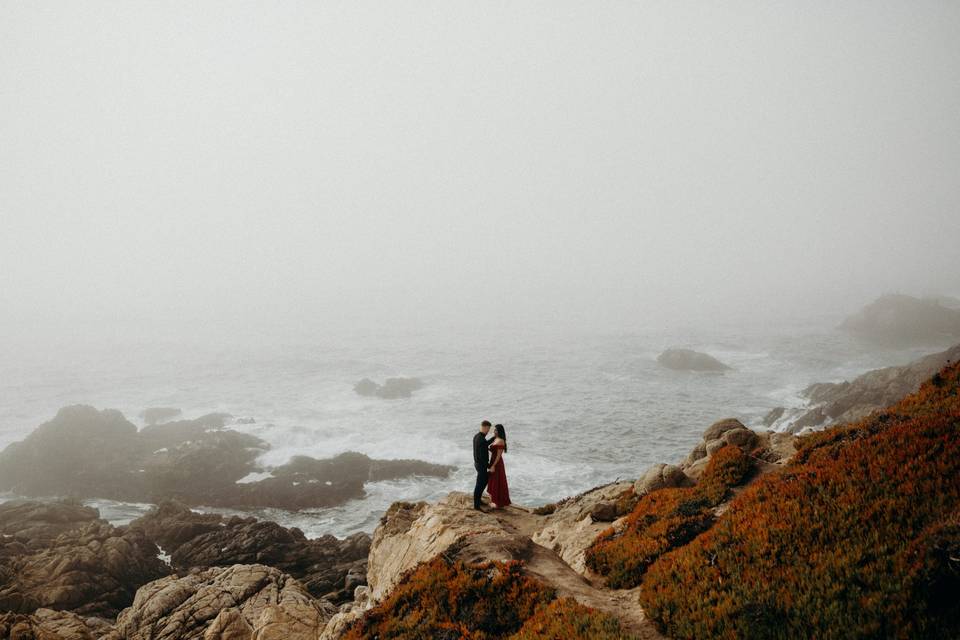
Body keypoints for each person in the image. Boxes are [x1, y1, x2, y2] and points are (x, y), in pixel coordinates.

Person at [486, 423, 511, 508]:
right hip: (492, 461)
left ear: (499, 431)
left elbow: (498, 456)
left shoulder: (500, 440)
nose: (494, 431)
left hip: (497, 463)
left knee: (498, 482)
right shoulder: (495, 439)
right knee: (492, 481)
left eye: (496, 430)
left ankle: (498, 503)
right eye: (494, 430)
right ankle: (494, 500)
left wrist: (493, 465)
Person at [473, 420, 492, 510]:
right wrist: (489, 466)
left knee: (483, 482)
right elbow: (481, 457)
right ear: (484, 427)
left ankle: (478, 501)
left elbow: (485, 444)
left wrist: (493, 438)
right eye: (488, 429)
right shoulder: (481, 439)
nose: (488, 431)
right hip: (481, 465)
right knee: (479, 485)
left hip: (477, 464)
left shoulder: (477, 436)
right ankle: (476, 506)